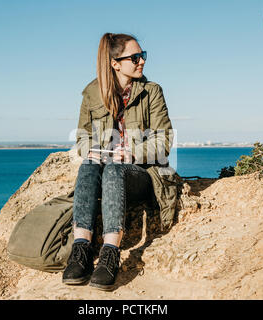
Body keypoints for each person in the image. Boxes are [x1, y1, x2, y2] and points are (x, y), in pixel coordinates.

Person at [62, 32, 176, 291]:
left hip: (142, 174)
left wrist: (133, 154)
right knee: (89, 165)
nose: (142, 61)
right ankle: (80, 250)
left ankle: (110, 253)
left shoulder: (152, 92)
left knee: (114, 169)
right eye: (135, 57)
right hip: (105, 167)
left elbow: (164, 141)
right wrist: (89, 150)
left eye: (143, 56)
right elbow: (82, 137)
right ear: (115, 63)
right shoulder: (92, 93)